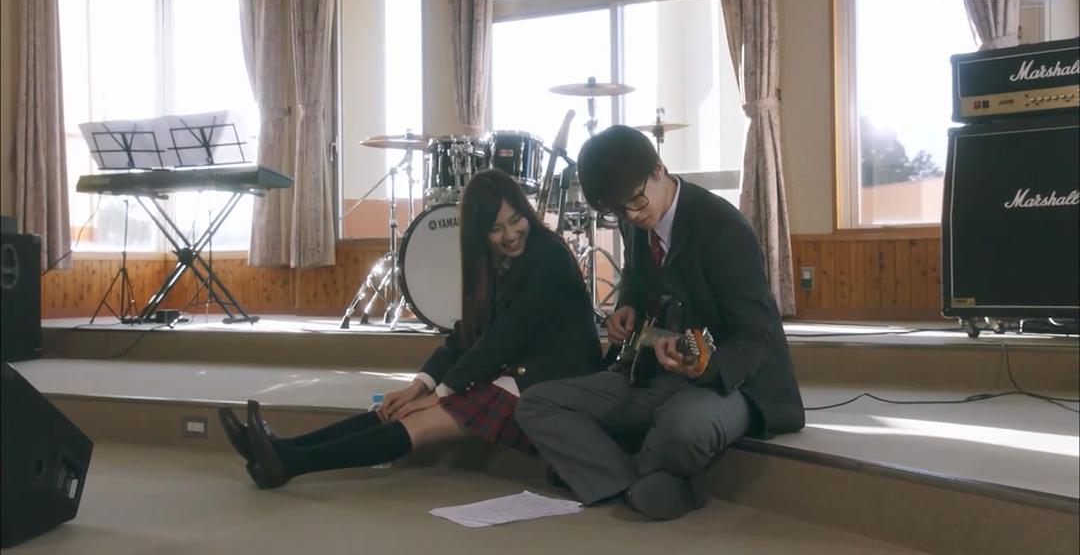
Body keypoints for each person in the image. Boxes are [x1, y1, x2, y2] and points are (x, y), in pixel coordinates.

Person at [219, 169, 604, 489]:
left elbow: (503, 339)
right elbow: (467, 335)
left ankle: (286, 462)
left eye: (516, 219)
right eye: (495, 228)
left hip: (551, 382)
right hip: (516, 371)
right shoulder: (494, 263)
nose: (510, 234)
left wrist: (441, 394)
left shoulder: (548, 256)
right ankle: (279, 449)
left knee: (416, 423)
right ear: (479, 234)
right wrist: (419, 386)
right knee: (396, 408)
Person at [515, 125, 804, 521]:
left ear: (658, 169)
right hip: (654, 375)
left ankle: (611, 473)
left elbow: (758, 334)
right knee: (536, 404)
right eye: (618, 211)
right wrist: (627, 306)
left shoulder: (723, 228)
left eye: (635, 201)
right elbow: (637, 280)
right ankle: (638, 482)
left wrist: (703, 367)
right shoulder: (635, 222)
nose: (632, 215)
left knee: (681, 428)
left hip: (730, 383)